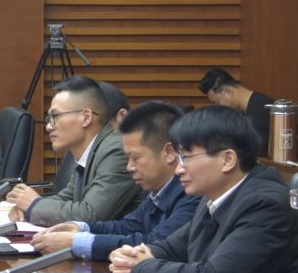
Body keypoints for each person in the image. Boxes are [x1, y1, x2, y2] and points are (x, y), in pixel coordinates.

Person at [109, 105, 298, 273]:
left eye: (186, 158)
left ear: (227, 159)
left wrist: (139, 269)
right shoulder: (214, 196)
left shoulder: (266, 204)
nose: (178, 169)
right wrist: (132, 257)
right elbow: (173, 247)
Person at [33, 101, 198, 261]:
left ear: (169, 153)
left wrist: (75, 242)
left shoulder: (192, 193)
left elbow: (155, 244)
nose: (129, 167)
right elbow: (128, 227)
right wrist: (80, 228)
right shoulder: (156, 189)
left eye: (135, 158)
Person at [4, 76, 138, 225]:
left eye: (55, 116)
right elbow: (67, 198)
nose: (48, 126)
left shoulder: (117, 150)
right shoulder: (91, 152)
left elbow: (90, 214)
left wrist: (34, 205)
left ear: (86, 117)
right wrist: (26, 209)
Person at [199, 66, 276, 152]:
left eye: (217, 102)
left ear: (229, 92)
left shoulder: (261, 108)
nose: (218, 107)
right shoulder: (249, 108)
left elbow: (254, 148)